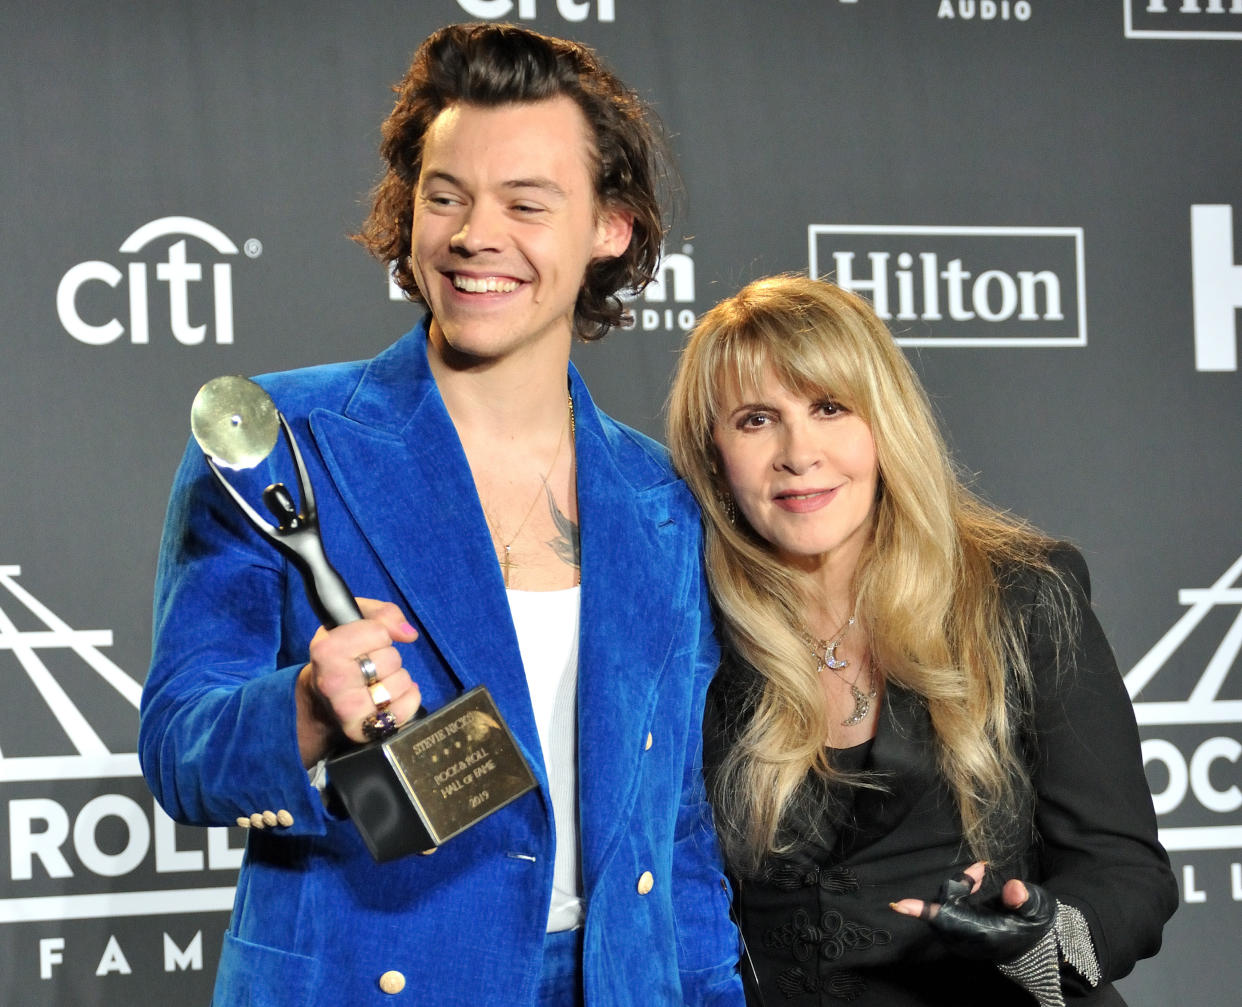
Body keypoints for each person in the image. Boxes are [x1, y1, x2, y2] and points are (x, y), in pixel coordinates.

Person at [140, 23, 743, 1007]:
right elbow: (179, 747)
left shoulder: (659, 499)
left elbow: (672, 828)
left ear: (611, 228)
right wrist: (302, 708)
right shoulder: (283, 441)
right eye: (446, 194)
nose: (474, 236)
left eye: (526, 203)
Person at [666, 275, 1176, 1006]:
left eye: (829, 407)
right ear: (713, 452)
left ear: (883, 423)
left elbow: (1125, 869)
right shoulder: (686, 624)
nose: (797, 452)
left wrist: (1043, 934)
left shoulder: (1023, 595)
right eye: (755, 419)